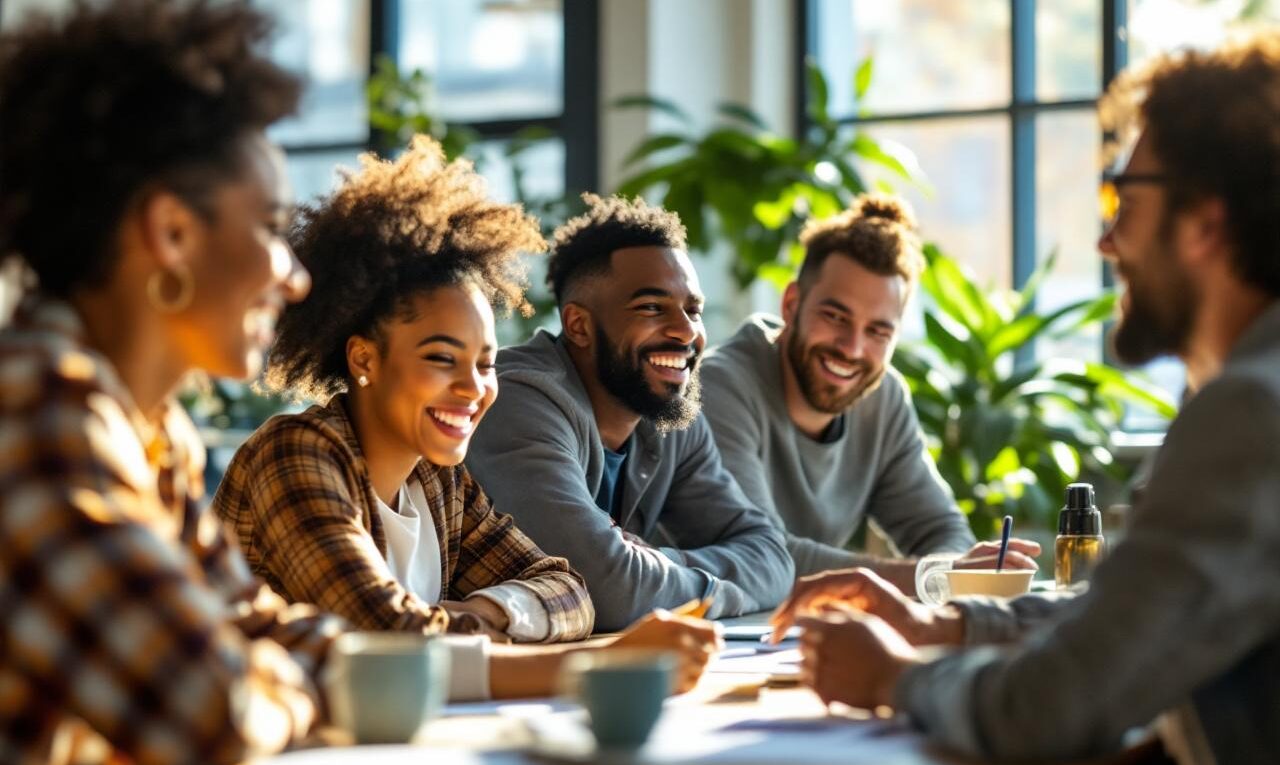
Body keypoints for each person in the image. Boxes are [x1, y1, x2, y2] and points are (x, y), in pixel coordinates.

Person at [771, 32, 1280, 764]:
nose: (1106, 240)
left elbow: (1051, 707)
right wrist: (943, 623)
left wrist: (894, 674)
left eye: (1122, 197)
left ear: (1206, 222)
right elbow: (1120, 622)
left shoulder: (1250, 414)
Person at [214, 138, 720, 699]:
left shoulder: (437, 481)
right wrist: (596, 663)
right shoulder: (298, 455)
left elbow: (571, 592)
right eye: (440, 358)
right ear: (364, 359)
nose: (473, 389)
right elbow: (388, 644)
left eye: (484, 363)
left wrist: (477, 614)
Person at [0, 1, 342, 762]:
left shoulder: (152, 433)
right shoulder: (35, 410)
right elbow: (213, 714)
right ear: (173, 233)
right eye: (271, 228)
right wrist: (288, 679)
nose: (295, 276)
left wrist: (272, 668)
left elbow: (259, 627)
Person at [466, 194, 794, 631]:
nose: (685, 332)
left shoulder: (668, 412)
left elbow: (772, 555)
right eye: (651, 308)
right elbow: (610, 590)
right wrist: (689, 582)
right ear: (579, 325)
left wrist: (656, 564)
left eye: (692, 310)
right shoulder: (517, 399)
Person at [700, 194, 1039, 588]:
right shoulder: (719, 387)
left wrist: (951, 572)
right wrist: (931, 577)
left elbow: (940, 529)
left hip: (790, 632)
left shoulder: (883, 399)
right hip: (691, 630)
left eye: (878, 331)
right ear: (792, 304)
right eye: (835, 316)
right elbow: (761, 555)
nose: (852, 348)